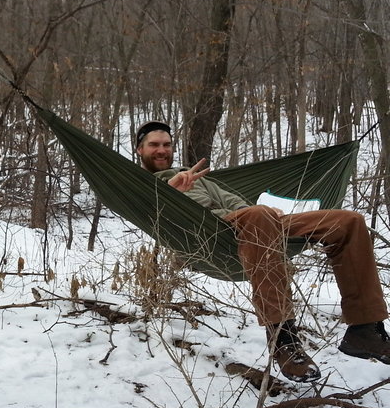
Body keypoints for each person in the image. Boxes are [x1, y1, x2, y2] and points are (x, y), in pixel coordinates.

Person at [135, 120, 390, 383]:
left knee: (349, 222)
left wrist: (267, 213)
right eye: (153, 145)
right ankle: (283, 339)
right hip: (212, 233)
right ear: (139, 150)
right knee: (259, 217)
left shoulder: (193, 175)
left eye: (166, 144)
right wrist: (168, 193)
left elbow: (233, 201)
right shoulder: (139, 184)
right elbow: (148, 209)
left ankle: (365, 328)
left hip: (251, 223)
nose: (161, 150)